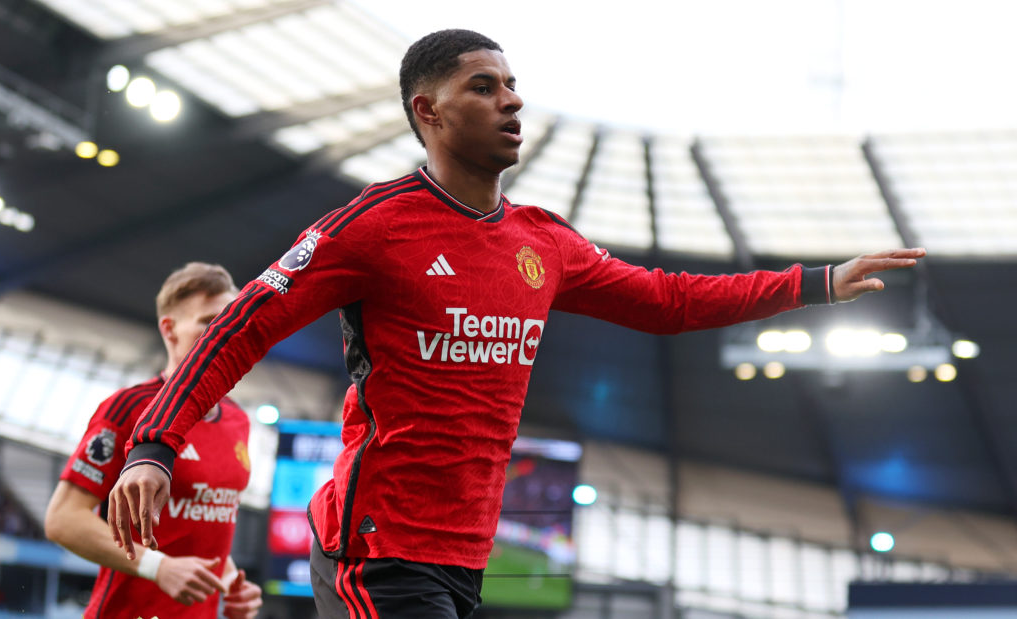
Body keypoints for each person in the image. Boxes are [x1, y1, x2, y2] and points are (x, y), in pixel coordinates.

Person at [107, 30, 925, 618]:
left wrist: (814, 282)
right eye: (485, 86)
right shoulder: (371, 229)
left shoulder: (544, 243)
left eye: (511, 84)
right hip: (376, 547)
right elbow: (245, 321)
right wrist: (153, 443)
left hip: (466, 556)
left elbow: (670, 301)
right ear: (428, 111)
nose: (514, 99)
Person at [45, 262, 263, 618]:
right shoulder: (128, 408)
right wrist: (157, 566)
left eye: (232, 321)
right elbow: (63, 519)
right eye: (209, 322)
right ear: (170, 329)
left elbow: (203, 522)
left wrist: (232, 583)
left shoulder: (237, 419)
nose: (225, 333)